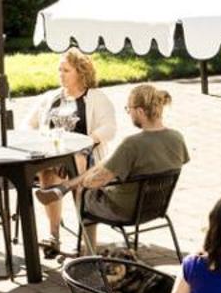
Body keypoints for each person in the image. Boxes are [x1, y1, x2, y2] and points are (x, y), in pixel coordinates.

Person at [62, 83, 188, 250]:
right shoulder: (177, 137)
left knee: (83, 195)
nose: (129, 114)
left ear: (140, 111)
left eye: (129, 109)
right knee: (102, 168)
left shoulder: (132, 144)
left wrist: (84, 182)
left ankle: (89, 253)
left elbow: (96, 182)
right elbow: (178, 162)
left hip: (124, 210)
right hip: (155, 207)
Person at [27, 47, 117, 255]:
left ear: (81, 72)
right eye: (59, 70)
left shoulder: (96, 98)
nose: (61, 74)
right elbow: (28, 125)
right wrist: (41, 140)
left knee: (76, 162)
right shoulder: (51, 98)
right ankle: (53, 235)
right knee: (48, 171)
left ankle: (87, 241)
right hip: (53, 156)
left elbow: (109, 128)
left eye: (66, 70)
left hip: (87, 157)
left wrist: (85, 141)